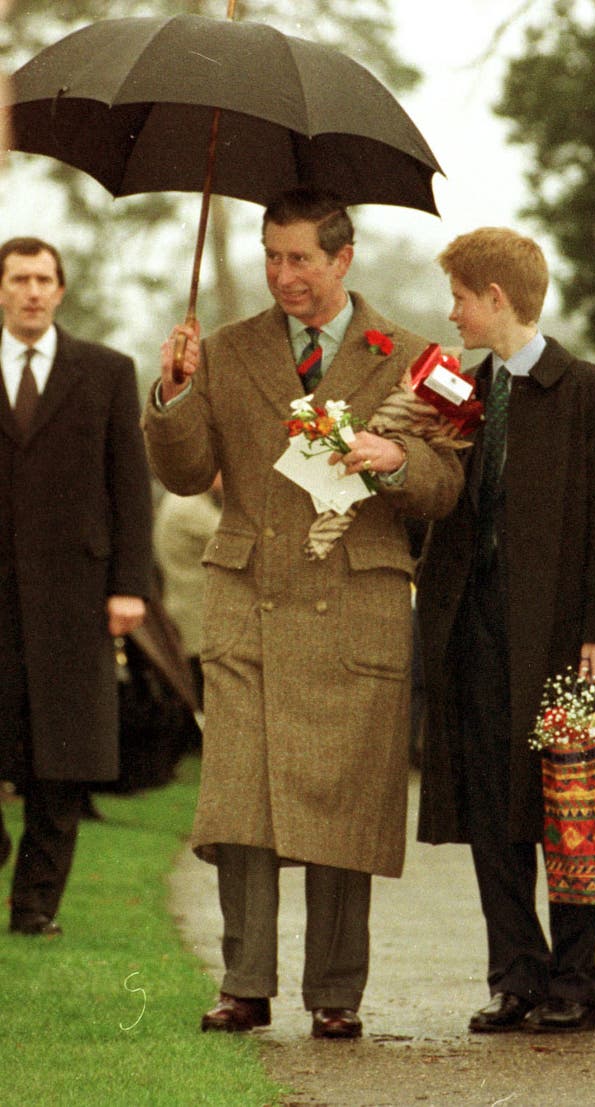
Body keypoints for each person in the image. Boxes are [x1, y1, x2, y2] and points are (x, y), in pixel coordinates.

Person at [144, 188, 464, 1038]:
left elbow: (447, 485)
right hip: (250, 598)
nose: (284, 275)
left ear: (343, 259)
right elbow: (184, 473)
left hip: (356, 599)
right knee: (241, 802)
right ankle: (245, 983)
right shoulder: (223, 349)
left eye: (301, 259)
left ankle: (335, 993)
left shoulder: (415, 355)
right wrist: (174, 394)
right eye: (271, 256)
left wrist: (396, 458)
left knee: (342, 805)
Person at [416, 227, 595, 1035]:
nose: (454, 313)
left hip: (564, 641)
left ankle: (576, 980)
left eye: (462, 298)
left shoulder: (586, 388)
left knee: (570, 809)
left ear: (497, 298)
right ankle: (517, 975)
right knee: (488, 807)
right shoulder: (463, 393)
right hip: (475, 631)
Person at [0, 236, 153, 936]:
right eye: (19, 279)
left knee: (61, 754)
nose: (32, 291)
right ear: (1, 289)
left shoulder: (106, 371)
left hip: (76, 592)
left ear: (60, 289)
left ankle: (35, 904)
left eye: (43, 279)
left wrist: (130, 586)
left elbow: (130, 485)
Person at [153, 473, 223, 706]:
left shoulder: (185, 501)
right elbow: (231, 539)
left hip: (191, 617)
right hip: (198, 622)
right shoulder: (189, 506)